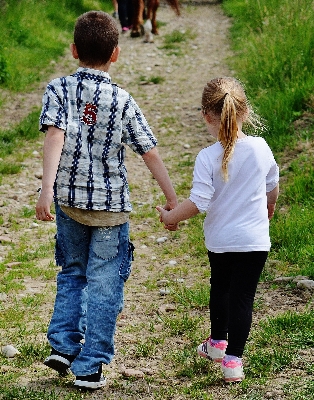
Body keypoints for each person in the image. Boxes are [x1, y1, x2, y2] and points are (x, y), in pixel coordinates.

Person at [36, 11, 177, 390]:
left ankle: (64, 347)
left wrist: (46, 189)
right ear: (116, 53)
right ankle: (91, 364)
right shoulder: (123, 99)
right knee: (105, 284)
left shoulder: (58, 88)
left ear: (73, 50)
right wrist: (173, 200)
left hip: (68, 202)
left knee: (72, 272)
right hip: (111, 210)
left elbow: (54, 136)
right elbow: (149, 152)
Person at [156, 77, 279, 383]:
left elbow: (198, 202)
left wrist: (171, 217)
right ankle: (233, 361)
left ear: (205, 116)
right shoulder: (260, 147)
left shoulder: (207, 157)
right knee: (242, 298)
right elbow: (272, 186)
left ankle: (217, 343)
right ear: (245, 112)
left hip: (221, 241)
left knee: (220, 287)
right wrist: (270, 208)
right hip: (254, 241)